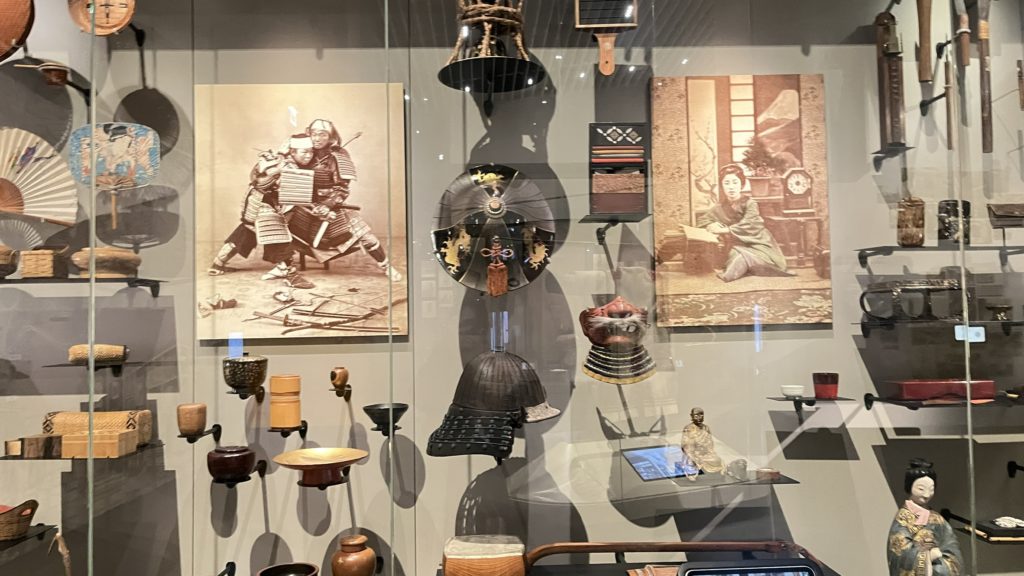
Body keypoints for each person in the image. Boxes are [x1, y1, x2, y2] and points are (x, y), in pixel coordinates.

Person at [298, 118, 401, 281]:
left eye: (322, 134)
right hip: (306, 205)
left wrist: (328, 205)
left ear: (331, 137)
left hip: (332, 205)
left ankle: (386, 266)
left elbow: (342, 188)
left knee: (366, 237)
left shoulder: (338, 156)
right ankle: (283, 266)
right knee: (281, 225)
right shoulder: (303, 151)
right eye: (314, 134)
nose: (317, 138)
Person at [697, 164, 790, 283]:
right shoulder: (719, 207)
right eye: (727, 183)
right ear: (722, 185)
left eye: (735, 182)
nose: (731, 187)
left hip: (758, 243)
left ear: (741, 184)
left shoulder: (750, 203)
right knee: (736, 255)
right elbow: (702, 221)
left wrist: (725, 230)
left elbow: (751, 224)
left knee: (743, 258)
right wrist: (711, 225)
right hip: (736, 245)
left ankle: (731, 274)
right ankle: (739, 269)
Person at [887, 459, 962, 576]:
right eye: (921, 489)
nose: (927, 494)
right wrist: (927, 556)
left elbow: (951, 545)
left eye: (931, 489)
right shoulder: (903, 518)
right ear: (909, 487)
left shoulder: (937, 518)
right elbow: (899, 554)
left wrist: (943, 562)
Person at [680, 407, 724, 479]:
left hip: (705, 454)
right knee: (691, 464)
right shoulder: (688, 428)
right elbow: (685, 445)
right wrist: (693, 452)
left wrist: (709, 451)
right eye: (696, 415)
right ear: (691, 416)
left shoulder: (706, 428)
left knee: (716, 460)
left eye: (701, 415)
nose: (699, 417)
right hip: (693, 453)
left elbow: (710, 443)